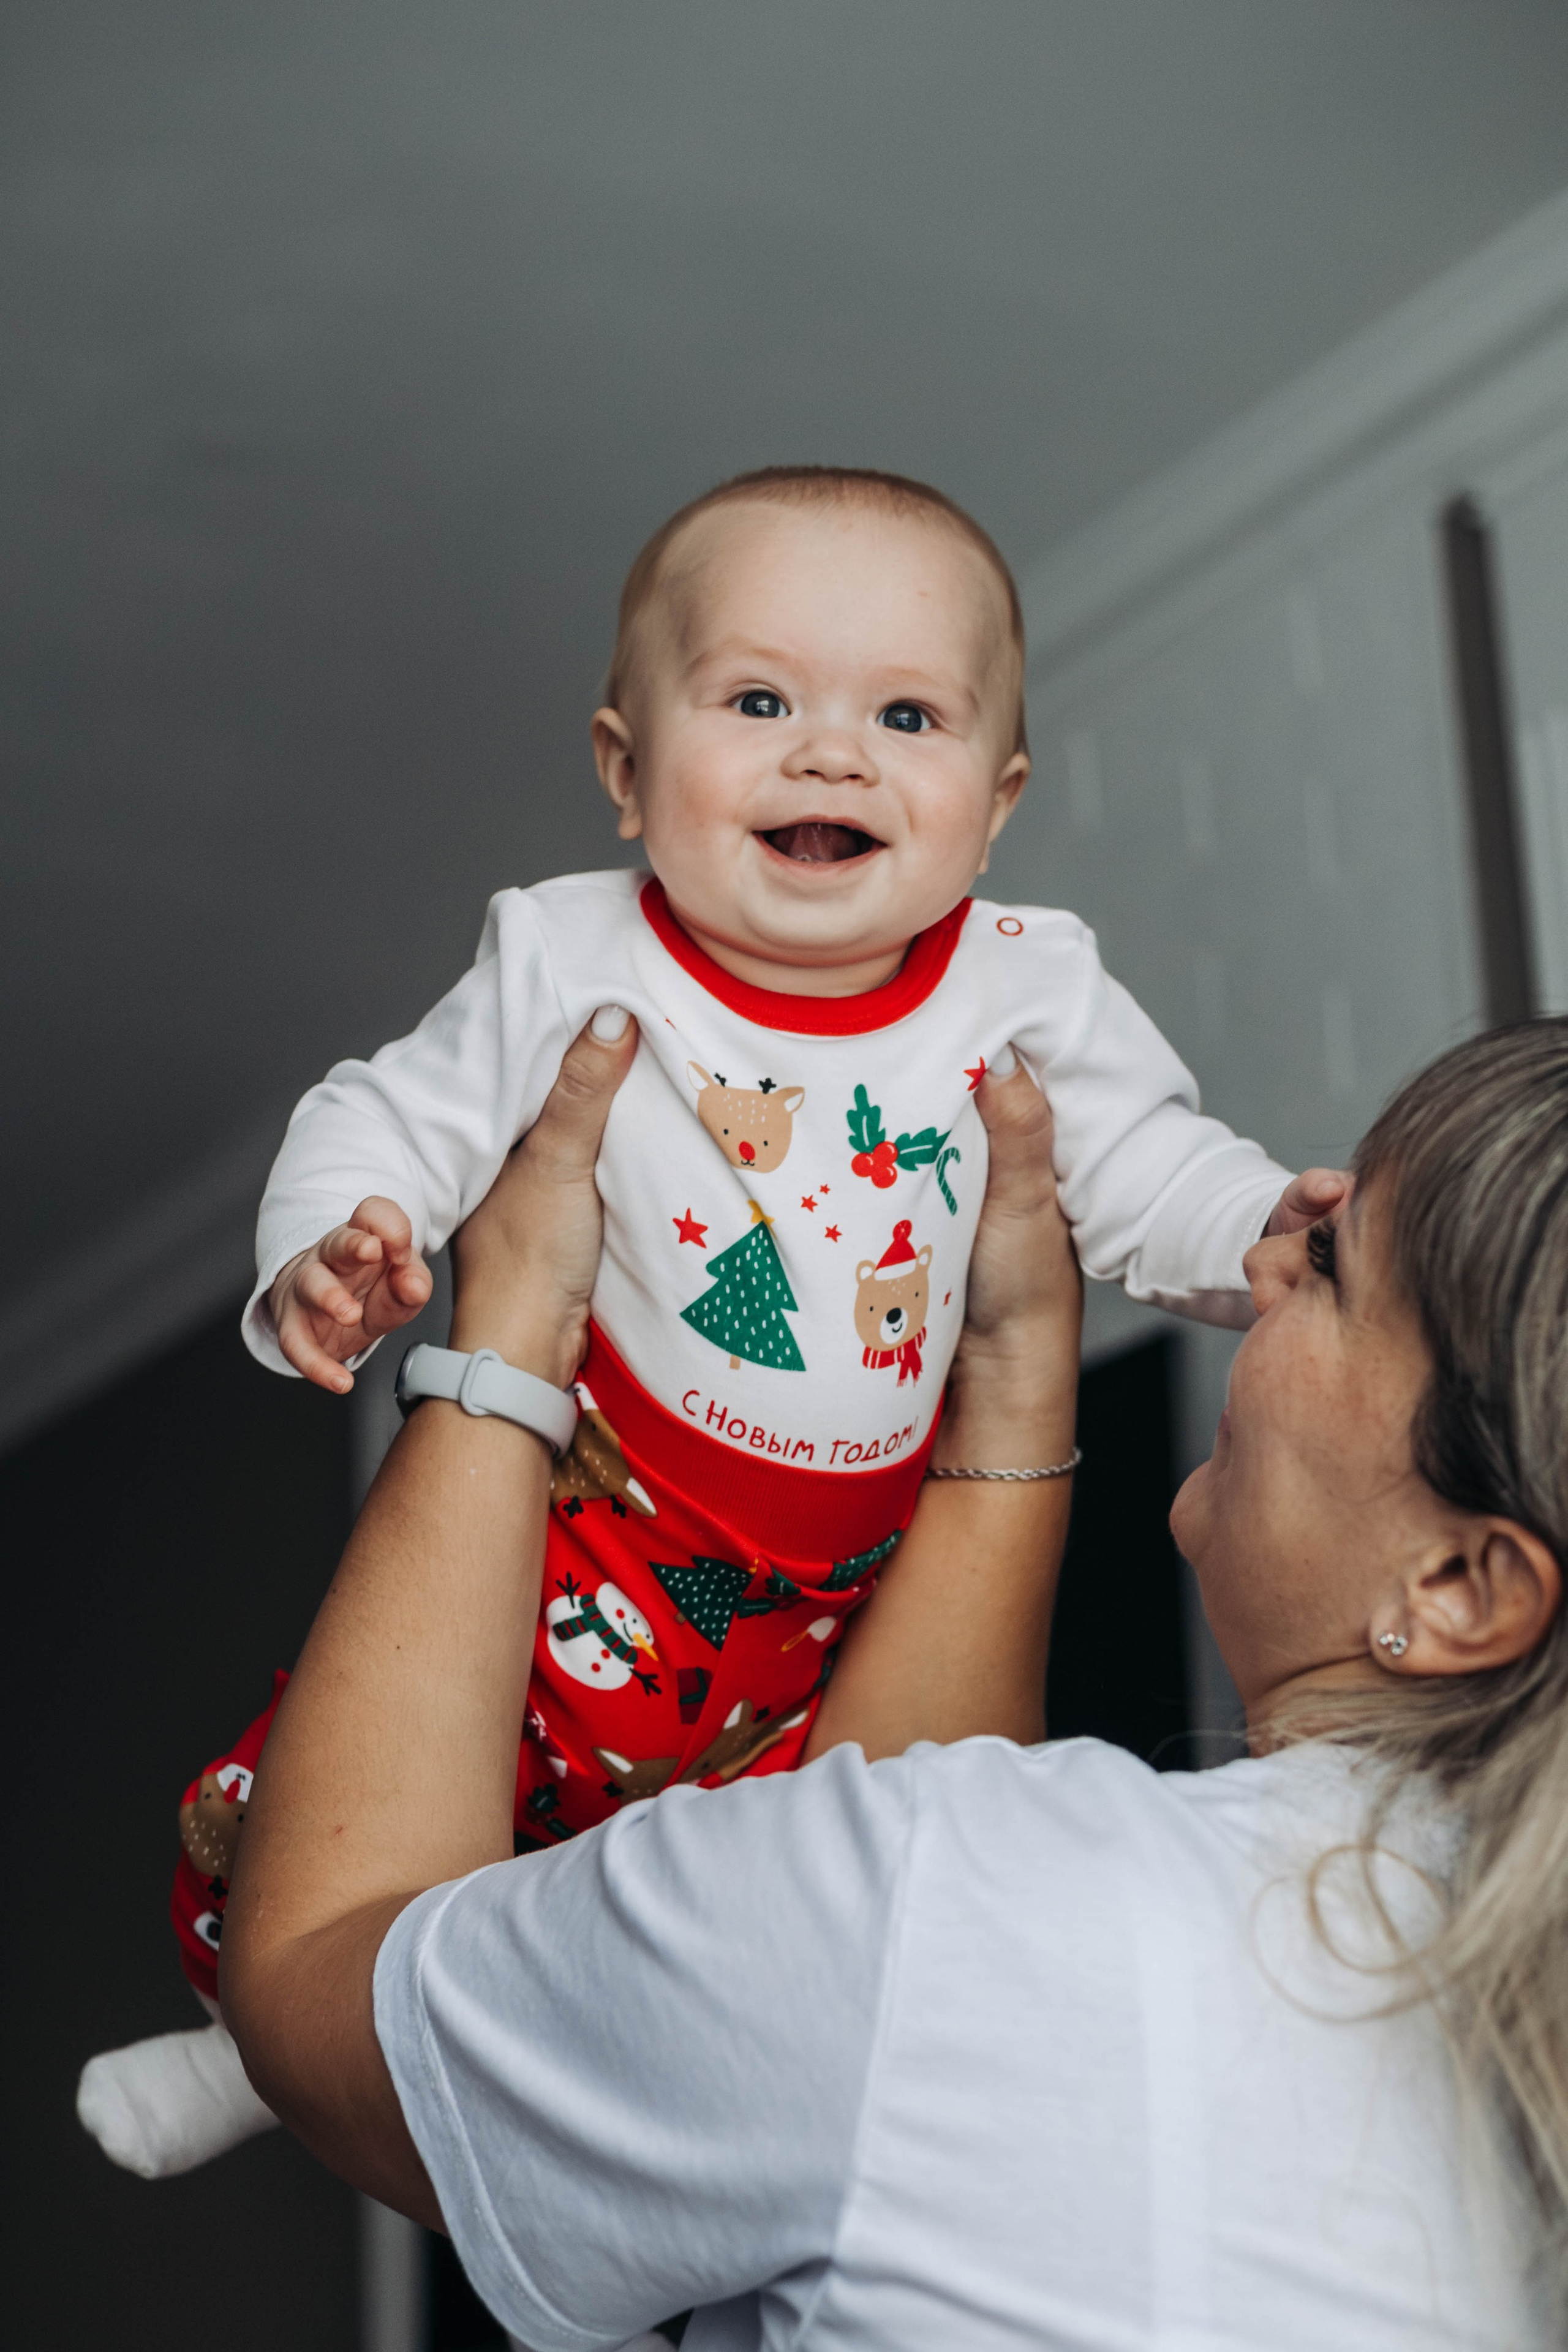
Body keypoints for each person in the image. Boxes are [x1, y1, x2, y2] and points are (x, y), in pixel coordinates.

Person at [221, 1012, 1568, 2348]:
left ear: (1460, 1589)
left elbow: (315, 1994)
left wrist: (511, 1331)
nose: (1269, 1262)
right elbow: (906, 1988)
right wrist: (1012, 1369)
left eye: (1330, 1265)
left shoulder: (980, 1906)